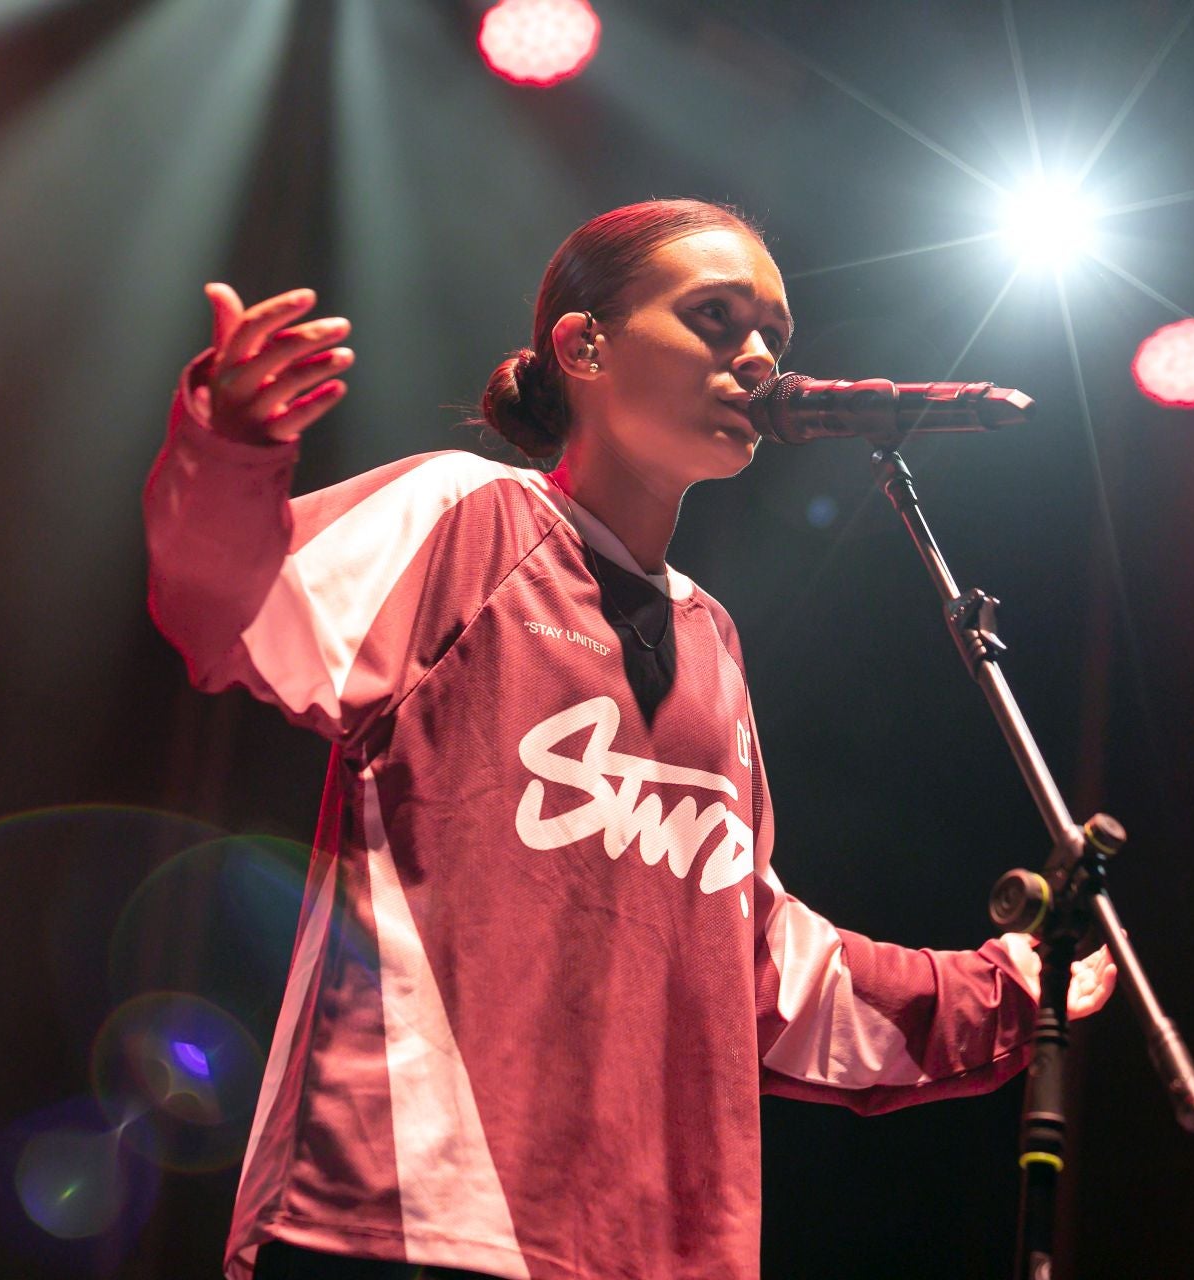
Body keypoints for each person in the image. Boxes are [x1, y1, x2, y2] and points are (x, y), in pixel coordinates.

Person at [143, 199, 1115, 1280]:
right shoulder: (471, 517)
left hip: (650, 1250)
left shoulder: (712, 641)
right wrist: (229, 447)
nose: (756, 358)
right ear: (584, 344)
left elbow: (756, 973)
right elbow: (227, 608)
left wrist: (1008, 989)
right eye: (715, 317)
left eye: (776, 339)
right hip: (410, 1217)